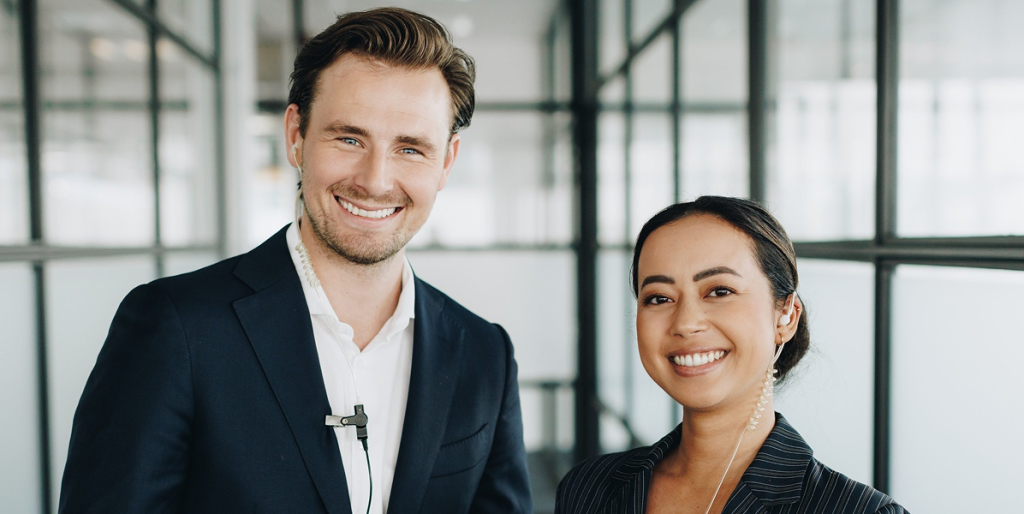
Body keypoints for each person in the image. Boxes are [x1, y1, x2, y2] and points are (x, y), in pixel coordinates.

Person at [58, 8, 531, 514]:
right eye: (349, 138)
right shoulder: (175, 328)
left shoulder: (485, 354)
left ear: (447, 162)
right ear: (295, 135)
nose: (375, 180)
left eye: (410, 149)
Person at [555, 196, 907, 514]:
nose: (686, 323)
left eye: (719, 291)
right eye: (659, 298)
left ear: (786, 317)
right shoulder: (587, 488)